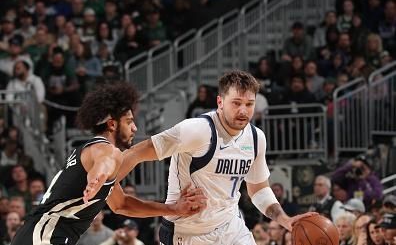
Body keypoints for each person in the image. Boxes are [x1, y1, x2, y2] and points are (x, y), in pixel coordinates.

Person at [99, 70, 316, 244]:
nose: (243, 110)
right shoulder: (196, 130)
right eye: (236, 102)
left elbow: (258, 188)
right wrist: (104, 183)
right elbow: (136, 153)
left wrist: (284, 219)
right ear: (220, 102)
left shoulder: (256, 137)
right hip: (188, 232)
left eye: (249, 104)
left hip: (231, 227)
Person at [11, 83, 206, 245]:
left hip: (37, 234)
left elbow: (122, 205)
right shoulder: (104, 149)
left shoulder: (90, 151)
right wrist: (97, 177)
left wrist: (173, 209)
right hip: (45, 236)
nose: (135, 128)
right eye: (129, 122)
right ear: (112, 124)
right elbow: (104, 161)